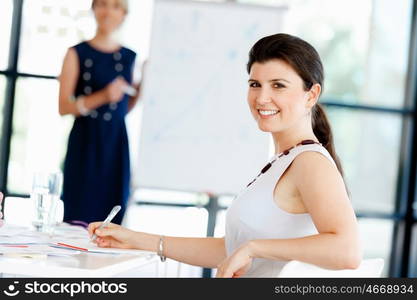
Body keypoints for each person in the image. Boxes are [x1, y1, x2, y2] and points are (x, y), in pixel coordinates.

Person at [88, 33, 362, 277]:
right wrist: (136, 240)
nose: (262, 98)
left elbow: (347, 251)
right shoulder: (283, 160)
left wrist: (253, 249)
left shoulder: (310, 162)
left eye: (278, 85)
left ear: (311, 95)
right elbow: (229, 250)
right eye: (255, 84)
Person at [59, 0, 140, 225]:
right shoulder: (76, 53)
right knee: (79, 214)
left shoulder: (130, 57)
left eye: (115, 6)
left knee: (113, 215)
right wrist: (103, 96)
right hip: (86, 143)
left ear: (124, 14)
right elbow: (63, 106)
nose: (107, 11)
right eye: (102, 4)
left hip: (116, 144)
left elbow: (123, 109)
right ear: (93, 9)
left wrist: (140, 92)